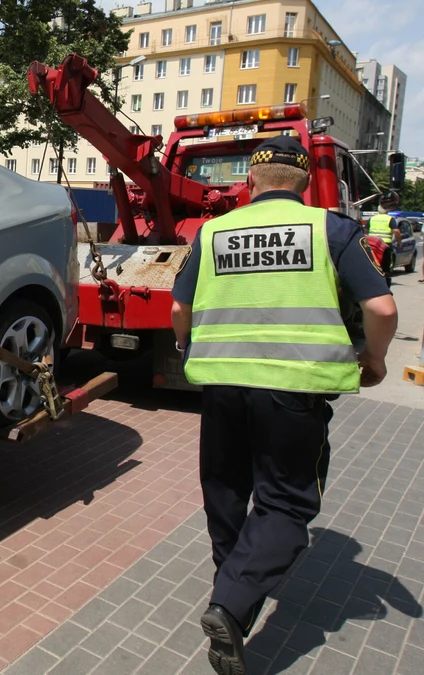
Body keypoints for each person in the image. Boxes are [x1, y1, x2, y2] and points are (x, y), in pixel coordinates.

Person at [169, 135, 398, 675]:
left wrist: (187, 348)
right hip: (294, 392)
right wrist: (377, 359)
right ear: (304, 184)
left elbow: (180, 306)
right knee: (287, 504)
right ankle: (231, 604)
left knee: (225, 492)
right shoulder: (333, 229)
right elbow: (382, 307)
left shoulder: (215, 230)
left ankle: (232, 601)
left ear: (251, 182)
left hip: (222, 386)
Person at [366, 207, 401, 287]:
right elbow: (396, 231)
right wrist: (399, 242)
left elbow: (365, 230)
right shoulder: (390, 219)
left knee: (372, 263)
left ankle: (371, 281)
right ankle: (385, 283)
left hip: (372, 245)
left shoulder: (372, 219)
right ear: (387, 210)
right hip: (385, 245)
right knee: (386, 265)